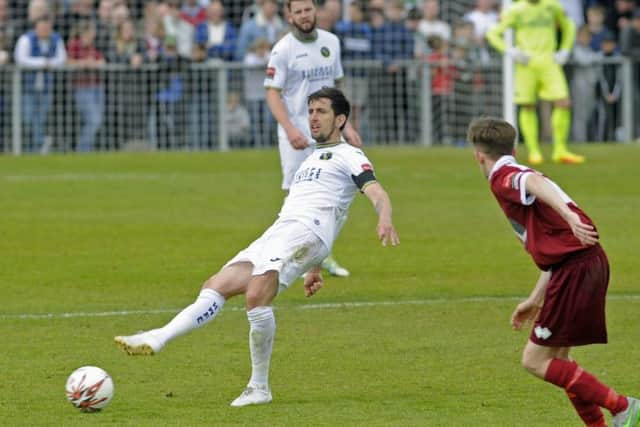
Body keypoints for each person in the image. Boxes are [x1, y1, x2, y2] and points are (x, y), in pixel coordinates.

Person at [115, 87, 399, 407]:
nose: (313, 118)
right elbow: (334, 208)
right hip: (281, 232)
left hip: (307, 234)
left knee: (256, 295)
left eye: (321, 111)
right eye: (310, 111)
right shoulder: (310, 158)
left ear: (341, 119)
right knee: (216, 285)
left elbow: (377, 192)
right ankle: (158, 336)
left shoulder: (352, 155)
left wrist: (384, 217)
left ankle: (258, 387)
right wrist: (314, 267)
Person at [467, 116, 639, 427]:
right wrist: (534, 299)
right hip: (580, 264)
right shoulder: (514, 169)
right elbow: (553, 255)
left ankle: (625, 407)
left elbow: (535, 184)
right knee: (558, 361)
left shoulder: (503, 175)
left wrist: (569, 217)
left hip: (577, 266)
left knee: (534, 361)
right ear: (514, 148)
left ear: (477, 154)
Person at [265, 0, 363, 278]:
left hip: (331, 132)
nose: (305, 16)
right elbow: (272, 93)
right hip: (296, 133)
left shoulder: (331, 42)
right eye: (299, 11)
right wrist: (290, 129)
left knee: (340, 192)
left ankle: (321, 254)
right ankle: (282, 255)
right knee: (295, 199)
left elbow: (338, 88)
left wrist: (349, 126)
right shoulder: (283, 49)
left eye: (308, 10)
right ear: (290, 16)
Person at [486, 0, 584, 165]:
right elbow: (493, 33)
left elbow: (569, 26)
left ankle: (560, 150)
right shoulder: (516, 10)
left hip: (549, 61)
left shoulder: (552, 6)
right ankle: (534, 151)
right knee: (528, 105)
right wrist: (510, 51)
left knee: (563, 102)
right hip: (526, 63)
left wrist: (565, 49)